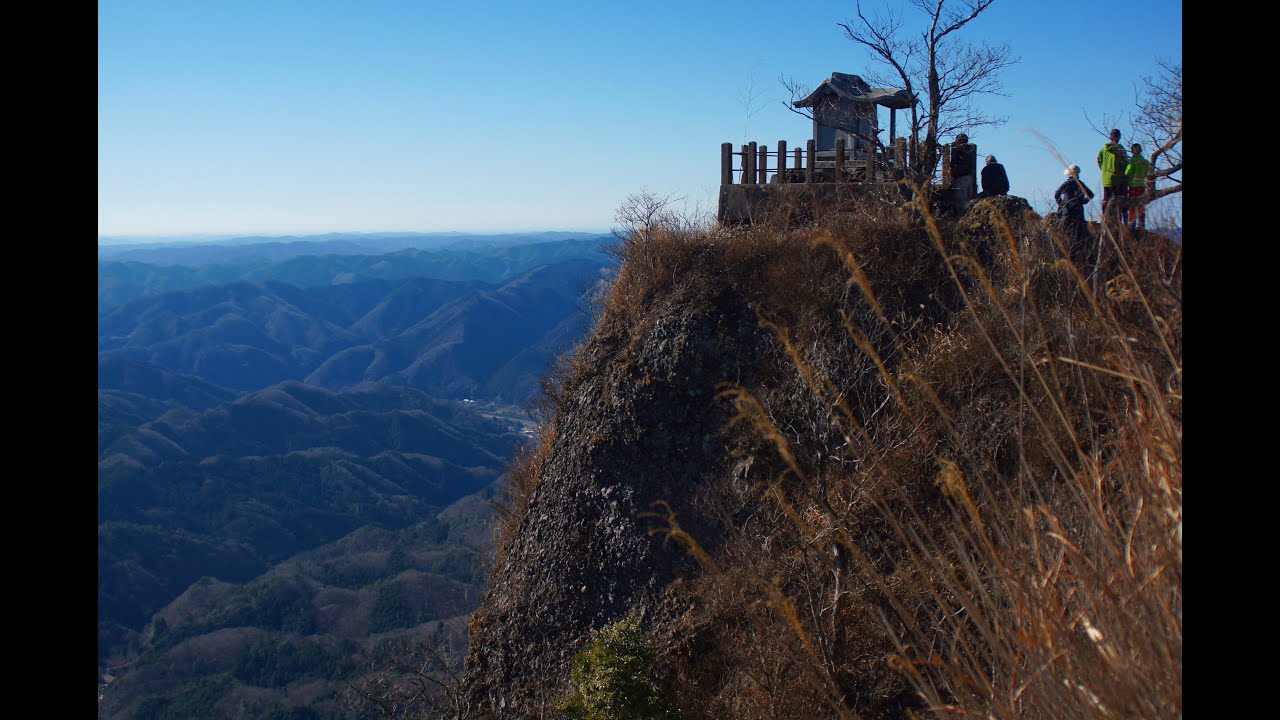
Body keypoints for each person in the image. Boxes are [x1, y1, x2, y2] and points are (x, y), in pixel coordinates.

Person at [1054, 165, 1095, 258]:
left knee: (1063, 233)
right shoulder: (1080, 183)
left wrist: (1062, 204)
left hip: (1067, 213)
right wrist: (1083, 202)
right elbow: (1091, 194)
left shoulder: (1067, 184)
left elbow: (1056, 194)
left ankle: (1065, 254)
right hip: (1079, 213)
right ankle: (1077, 255)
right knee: (1078, 236)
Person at [1096, 129, 1129, 223]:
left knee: (1106, 198)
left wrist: (1105, 170)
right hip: (1117, 178)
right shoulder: (1120, 149)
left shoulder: (1103, 148)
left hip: (1106, 177)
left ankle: (1105, 217)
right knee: (1117, 199)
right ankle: (1117, 219)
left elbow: (1099, 161)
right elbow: (1125, 163)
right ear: (1119, 137)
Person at [1125, 143, 1151, 231]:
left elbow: (1127, 172)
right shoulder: (1145, 162)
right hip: (1142, 186)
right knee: (1141, 206)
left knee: (1132, 205)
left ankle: (1132, 223)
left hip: (1133, 186)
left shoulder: (1132, 161)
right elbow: (1148, 172)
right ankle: (1141, 224)